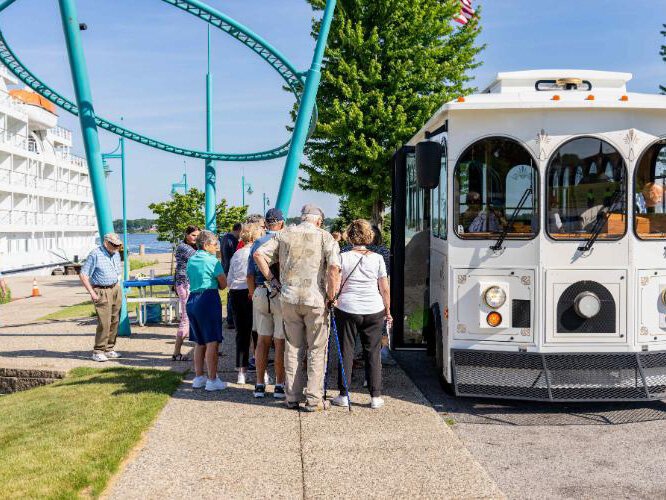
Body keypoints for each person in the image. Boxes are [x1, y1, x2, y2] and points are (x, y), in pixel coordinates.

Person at [254, 204, 341, 411]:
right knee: (316, 349)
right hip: (316, 299)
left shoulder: (284, 234)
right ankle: (313, 398)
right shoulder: (325, 237)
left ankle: (291, 396)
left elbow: (258, 254)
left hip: (289, 297)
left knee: (292, 348)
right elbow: (334, 269)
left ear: (302, 218)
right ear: (318, 221)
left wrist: (273, 281)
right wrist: (331, 296)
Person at [332, 220, 391, 409]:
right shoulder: (378, 258)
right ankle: (375, 396)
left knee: (346, 350)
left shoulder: (343, 257)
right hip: (374, 308)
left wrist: (332, 299)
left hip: (348, 307)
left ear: (349, 236)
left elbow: (337, 282)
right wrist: (387, 310)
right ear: (369, 236)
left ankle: (344, 394)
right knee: (372, 352)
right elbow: (384, 288)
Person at [247, 208, 286, 399]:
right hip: (279, 292)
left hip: (261, 291)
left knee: (261, 341)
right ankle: (279, 384)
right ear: (282, 223)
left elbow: (249, 275)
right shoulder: (284, 240)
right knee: (280, 342)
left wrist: (254, 293)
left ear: (266, 224)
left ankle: (259, 384)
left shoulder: (256, 244)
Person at [187, 230, 228, 391]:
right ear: (206, 245)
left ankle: (199, 377)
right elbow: (223, 283)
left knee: (199, 341)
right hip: (208, 298)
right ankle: (212, 379)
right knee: (212, 341)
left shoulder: (192, 259)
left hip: (192, 299)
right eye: (214, 244)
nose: (216, 247)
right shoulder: (212, 261)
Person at [226, 222, 262, 385]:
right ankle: (262, 371)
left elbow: (229, 279)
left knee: (242, 333)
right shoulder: (257, 253)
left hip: (236, 292)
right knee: (258, 333)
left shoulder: (237, 254)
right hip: (251, 291)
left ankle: (241, 371)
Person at [79, 233, 123, 362]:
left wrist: (118, 286)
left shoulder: (115, 253)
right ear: (106, 243)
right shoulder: (95, 254)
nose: (116, 247)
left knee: (115, 320)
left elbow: (117, 271)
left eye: (118, 245)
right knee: (104, 322)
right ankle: (98, 350)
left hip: (115, 288)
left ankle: (109, 348)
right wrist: (92, 293)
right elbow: (83, 275)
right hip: (101, 290)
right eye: (114, 245)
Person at [172, 225, 200, 361]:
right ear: (186, 234)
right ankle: (176, 352)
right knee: (186, 318)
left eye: (197, 236)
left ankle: (202, 348)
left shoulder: (195, 247)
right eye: (193, 235)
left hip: (191, 283)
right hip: (184, 284)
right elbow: (199, 257)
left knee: (195, 317)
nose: (196, 238)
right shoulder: (183, 247)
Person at [220, 223, 241, 329]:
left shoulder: (224, 238)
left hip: (225, 268)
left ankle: (230, 319)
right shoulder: (232, 240)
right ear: (238, 230)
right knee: (232, 295)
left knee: (230, 294)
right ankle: (231, 320)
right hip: (230, 270)